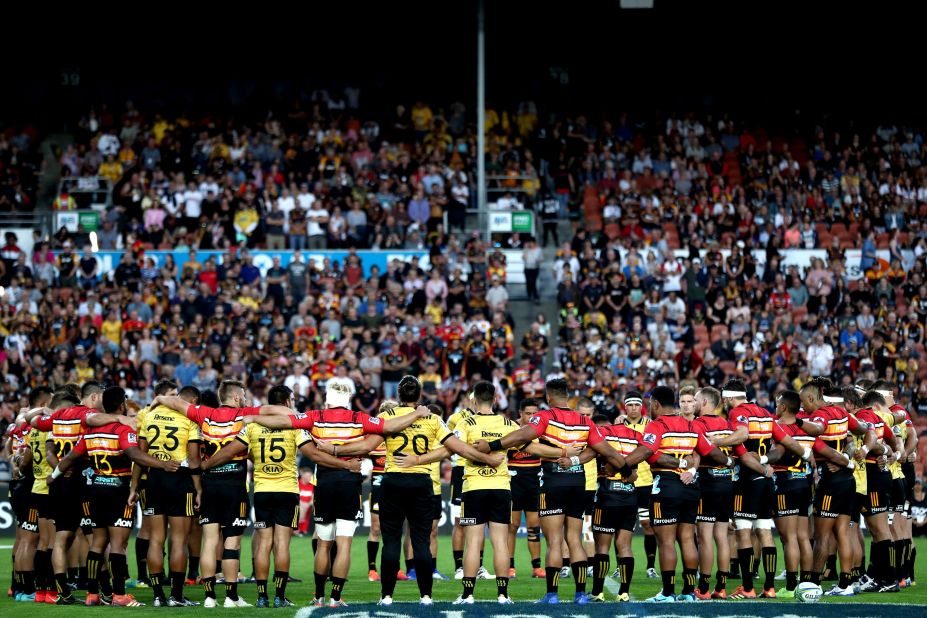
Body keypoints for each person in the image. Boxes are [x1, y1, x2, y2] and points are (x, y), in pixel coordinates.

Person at [313, 375, 504, 606]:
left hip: (392, 482)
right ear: (420, 396)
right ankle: (425, 596)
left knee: (391, 541)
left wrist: (334, 449)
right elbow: (458, 449)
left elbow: (366, 446)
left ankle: (386, 596)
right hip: (421, 483)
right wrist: (488, 458)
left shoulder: (385, 416)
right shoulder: (432, 419)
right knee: (421, 541)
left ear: (398, 396)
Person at [246, 378, 431, 606]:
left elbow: (284, 421)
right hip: (349, 482)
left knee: (324, 543)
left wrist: (253, 417)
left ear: (327, 400)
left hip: (323, 481)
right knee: (344, 544)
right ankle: (335, 597)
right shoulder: (359, 418)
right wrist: (417, 413)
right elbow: (390, 427)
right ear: (348, 399)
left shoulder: (315, 417)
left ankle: (318, 596)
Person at [474, 378, 630, 604]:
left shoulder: (546, 416)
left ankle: (552, 595)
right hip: (578, 482)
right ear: (567, 396)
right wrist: (626, 469)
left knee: (555, 541)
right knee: (575, 539)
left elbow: (520, 436)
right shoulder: (584, 420)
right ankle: (580, 595)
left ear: (548, 397)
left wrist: (492, 445)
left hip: (552, 481)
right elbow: (605, 450)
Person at [49, 386, 181, 607]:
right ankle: (119, 595)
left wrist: (54, 474)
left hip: (95, 491)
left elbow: (70, 457)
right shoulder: (122, 429)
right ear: (121, 405)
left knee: (98, 542)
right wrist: (163, 464)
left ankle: (92, 594)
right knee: (118, 545)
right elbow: (134, 454)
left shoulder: (89, 431)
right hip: (118, 491)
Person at [620, 386, 740, 603]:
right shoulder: (691, 425)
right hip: (691, 487)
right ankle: (688, 592)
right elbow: (710, 451)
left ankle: (667, 593)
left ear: (655, 403)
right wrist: (729, 461)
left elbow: (647, 451)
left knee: (666, 542)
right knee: (687, 539)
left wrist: (622, 464)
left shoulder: (658, 426)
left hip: (666, 485)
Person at [132, 380, 202, 607]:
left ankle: (157, 596)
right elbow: (193, 459)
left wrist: (133, 488)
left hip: (153, 479)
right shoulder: (188, 418)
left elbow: (139, 457)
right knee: (179, 540)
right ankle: (176, 596)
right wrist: (199, 488)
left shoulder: (148, 415)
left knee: (155, 539)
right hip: (179, 479)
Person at [587, 414, 641, 602]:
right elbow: (638, 465)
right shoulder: (635, 436)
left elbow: (602, 459)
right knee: (624, 546)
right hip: (630, 494)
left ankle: (597, 592)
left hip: (607, 495)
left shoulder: (601, 434)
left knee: (602, 546)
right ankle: (624, 593)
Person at [507, 398, 545, 580]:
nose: (532, 417)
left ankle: (536, 567)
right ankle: (509, 566)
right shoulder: (511, 429)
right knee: (512, 526)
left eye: (534, 414)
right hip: (514, 480)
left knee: (533, 526)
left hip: (533, 480)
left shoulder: (542, 430)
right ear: (520, 414)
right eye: (528, 413)